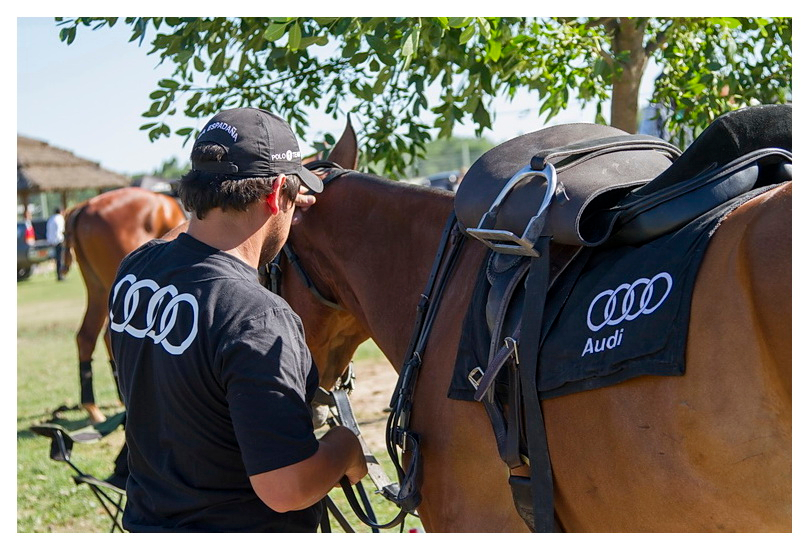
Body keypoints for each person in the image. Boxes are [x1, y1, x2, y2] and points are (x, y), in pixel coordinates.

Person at [108, 107, 367, 532]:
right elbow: (286, 488)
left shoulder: (136, 271)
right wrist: (345, 448)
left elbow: (186, 236)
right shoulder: (257, 317)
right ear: (278, 191)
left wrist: (275, 195)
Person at [46, 207, 65, 281]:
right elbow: (60, 230)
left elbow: (48, 231)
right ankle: (60, 274)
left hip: (52, 241)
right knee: (60, 258)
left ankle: (58, 274)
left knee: (57, 258)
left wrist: (50, 240)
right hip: (59, 240)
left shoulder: (51, 219)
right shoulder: (60, 218)